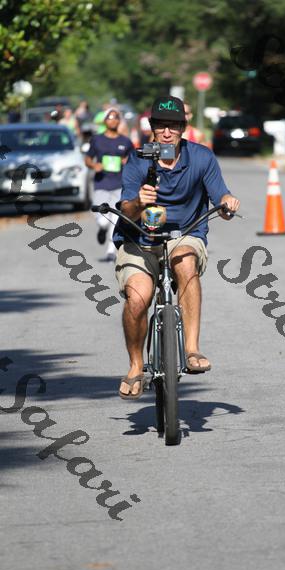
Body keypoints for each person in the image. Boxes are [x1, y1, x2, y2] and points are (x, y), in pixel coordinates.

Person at [113, 95, 240, 399]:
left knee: (184, 260)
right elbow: (126, 209)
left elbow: (220, 194)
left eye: (173, 126)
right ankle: (135, 365)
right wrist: (138, 202)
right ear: (151, 127)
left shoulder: (201, 157)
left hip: (185, 235)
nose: (167, 132)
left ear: (183, 127)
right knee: (138, 298)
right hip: (139, 239)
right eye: (161, 125)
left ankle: (192, 348)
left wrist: (227, 203)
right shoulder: (138, 159)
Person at [85, 108, 132, 261]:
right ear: (105, 121)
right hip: (102, 183)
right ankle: (102, 228)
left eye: (116, 117)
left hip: (119, 183)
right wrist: (94, 165)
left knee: (115, 217)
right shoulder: (97, 140)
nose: (113, 120)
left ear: (119, 121)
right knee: (103, 219)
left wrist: (127, 162)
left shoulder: (125, 141)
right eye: (110, 117)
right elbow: (88, 158)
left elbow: (133, 160)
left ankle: (111, 251)